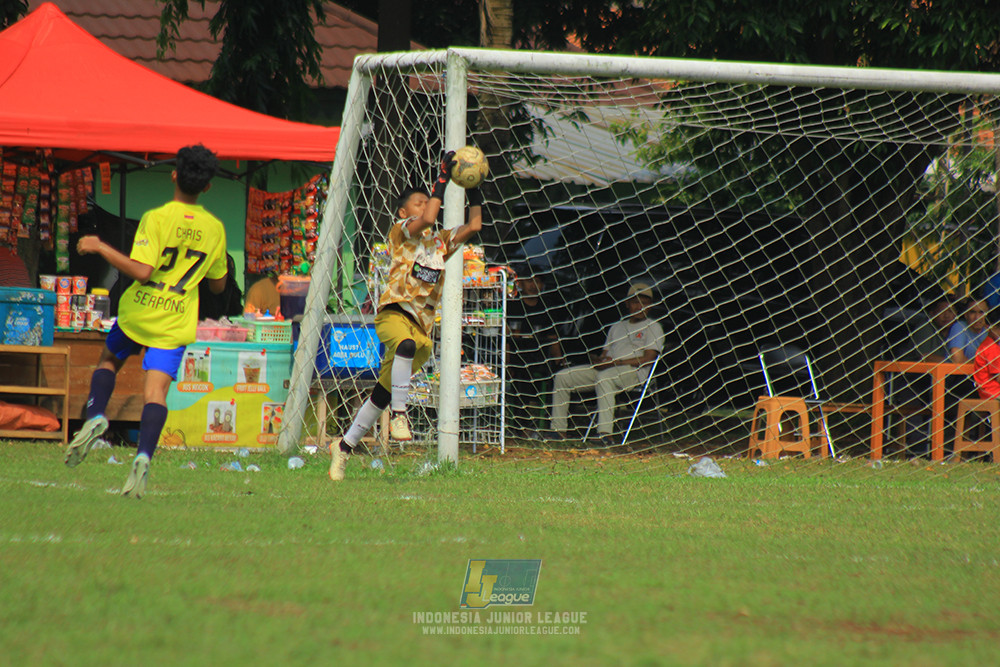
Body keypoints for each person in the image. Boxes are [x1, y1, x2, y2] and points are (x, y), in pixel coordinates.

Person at [63, 144, 229, 498]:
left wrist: (100, 246)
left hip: (140, 312)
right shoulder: (215, 229)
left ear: (173, 176)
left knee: (108, 360)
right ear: (208, 186)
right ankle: (143, 456)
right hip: (174, 322)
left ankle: (96, 415)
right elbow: (218, 285)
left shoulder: (157, 218)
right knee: (155, 393)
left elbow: (142, 271)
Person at [329, 151, 484, 481]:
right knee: (404, 347)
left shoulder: (440, 243)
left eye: (426, 201)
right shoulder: (402, 231)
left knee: (381, 393)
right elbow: (427, 219)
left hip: (421, 331)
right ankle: (401, 415)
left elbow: (474, 225)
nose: (425, 205)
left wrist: (476, 185)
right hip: (393, 315)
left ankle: (342, 448)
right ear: (403, 212)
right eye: (418, 202)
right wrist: (442, 179)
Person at [549, 282, 664, 447]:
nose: (639, 306)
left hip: (632, 372)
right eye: (635, 302)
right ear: (627, 304)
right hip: (609, 369)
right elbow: (605, 354)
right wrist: (598, 360)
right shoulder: (616, 327)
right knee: (563, 377)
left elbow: (649, 359)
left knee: (604, 378)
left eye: (644, 303)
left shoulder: (654, 327)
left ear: (650, 306)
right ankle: (558, 430)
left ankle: (605, 434)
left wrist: (617, 362)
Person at [506, 269, 567, 436]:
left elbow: (552, 337)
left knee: (559, 375)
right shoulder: (512, 305)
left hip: (539, 355)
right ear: (520, 284)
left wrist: (559, 360)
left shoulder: (546, 307)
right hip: (517, 355)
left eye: (538, 281)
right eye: (530, 281)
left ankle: (550, 424)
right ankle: (520, 423)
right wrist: (507, 360)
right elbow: (506, 336)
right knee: (522, 374)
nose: (534, 285)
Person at [947, 298, 988, 363]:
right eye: (972, 312)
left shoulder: (988, 331)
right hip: (955, 372)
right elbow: (957, 358)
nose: (977, 317)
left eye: (981, 312)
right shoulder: (960, 326)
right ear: (966, 315)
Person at [973, 305, 1000, 401]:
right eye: (998, 328)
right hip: (992, 392)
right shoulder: (990, 347)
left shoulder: (993, 344)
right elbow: (998, 378)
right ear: (988, 327)